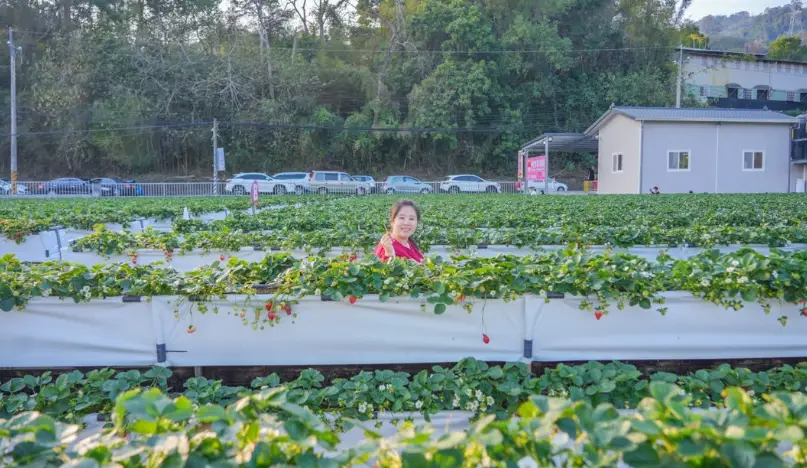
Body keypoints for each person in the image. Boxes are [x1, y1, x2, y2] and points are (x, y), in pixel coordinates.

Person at [376, 199, 424, 264]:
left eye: (411, 219)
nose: (406, 223)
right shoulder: (386, 248)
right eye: (402, 218)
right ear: (392, 221)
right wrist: (389, 254)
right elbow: (385, 271)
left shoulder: (409, 243)